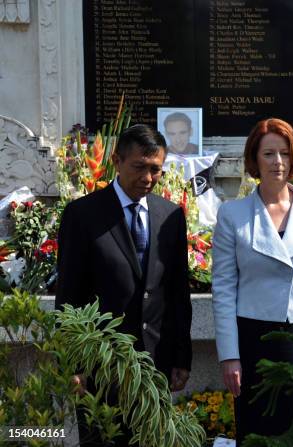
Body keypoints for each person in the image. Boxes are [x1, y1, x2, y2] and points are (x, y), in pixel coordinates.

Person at [56, 124, 192, 446]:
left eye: (155, 170)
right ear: (117, 160)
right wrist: (74, 366)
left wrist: (181, 358)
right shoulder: (82, 215)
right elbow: (69, 296)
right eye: (139, 167)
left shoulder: (170, 216)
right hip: (100, 367)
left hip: (153, 366)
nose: (147, 178)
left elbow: (177, 293)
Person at [212, 118, 293, 444]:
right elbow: (224, 289)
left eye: (285, 153)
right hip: (256, 341)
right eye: (269, 153)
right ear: (255, 159)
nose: (278, 162)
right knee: (261, 433)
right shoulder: (233, 215)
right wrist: (230, 356)